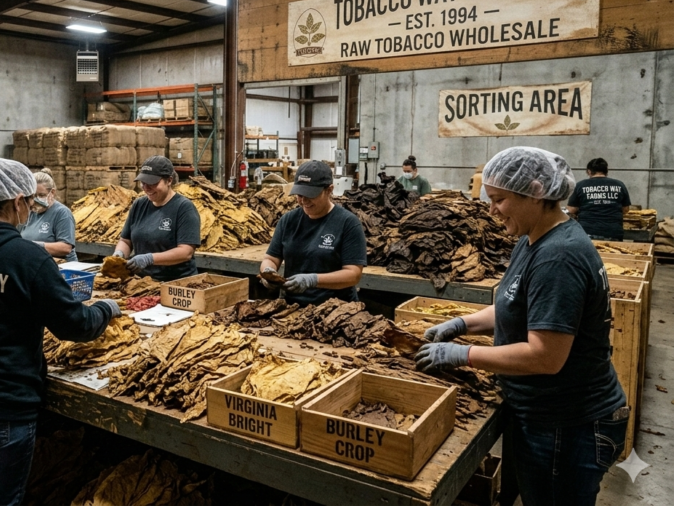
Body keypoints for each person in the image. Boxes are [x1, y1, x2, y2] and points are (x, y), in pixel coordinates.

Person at [415, 147, 627, 506]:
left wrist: (462, 354)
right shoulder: (532, 240)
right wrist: (461, 323)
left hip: (569, 424)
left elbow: (545, 357)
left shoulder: (559, 256)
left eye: (499, 199)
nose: (491, 209)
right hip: (546, 416)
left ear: (534, 192)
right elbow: (513, 306)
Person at [0, 157, 121, 506]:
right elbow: (74, 326)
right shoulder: (27, 258)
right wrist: (106, 309)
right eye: (30, 204)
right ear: (18, 202)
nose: (31, 211)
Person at [259, 161, 367, 305]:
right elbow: (271, 258)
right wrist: (268, 271)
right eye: (300, 194)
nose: (303, 201)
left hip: (335, 310)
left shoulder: (347, 223)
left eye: (310, 195)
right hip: (293, 307)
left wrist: (313, 280)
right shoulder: (288, 220)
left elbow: (353, 274)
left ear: (329, 190)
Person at [112, 156, 201, 281]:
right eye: (143, 183)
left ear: (169, 180)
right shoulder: (139, 205)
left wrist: (150, 259)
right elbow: (126, 240)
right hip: (143, 282)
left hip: (176, 284)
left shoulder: (184, 208)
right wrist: (119, 254)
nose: (146, 188)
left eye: (153, 183)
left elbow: (185, 252)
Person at [566, 157, 631, 241]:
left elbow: (571, 210)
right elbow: (625, 209)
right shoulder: (619, 185)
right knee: (612, 254)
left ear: (589, 171)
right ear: (606, 171)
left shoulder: (580, 185)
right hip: (613, 232)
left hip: (587, 231)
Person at [20, 169, 77, 261]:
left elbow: (65, 248)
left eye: (41, 195)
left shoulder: (62, 213)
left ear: (52, 193)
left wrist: (31, 245)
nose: (36, 200)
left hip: (60, 268)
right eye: (33, 196)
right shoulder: (29, 212)